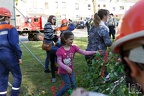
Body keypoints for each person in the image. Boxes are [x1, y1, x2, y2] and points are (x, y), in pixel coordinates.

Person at [71, 0, 144, 95]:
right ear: (104, 16)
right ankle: (101, 89)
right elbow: (108, 42)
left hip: (89, 53)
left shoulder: (94, 26)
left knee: (94, 75)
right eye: (108, 15)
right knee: (104, 75)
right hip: (98, 54)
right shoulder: (103, 28)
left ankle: (96, 89)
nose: (109, 17)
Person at [55, 31, 99, 96]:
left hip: (71, 70)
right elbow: (59, 62)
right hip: (63, 71)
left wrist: (95, 52)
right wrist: (66, 67)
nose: (72, 41)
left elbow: (84, 52)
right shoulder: (60, 50)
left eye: (73, 39)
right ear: (65, 39)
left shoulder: (74, 48)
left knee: (74, 84)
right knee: (67, 85)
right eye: (70, 39)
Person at [0, 7, 22, 96]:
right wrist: (19, 56)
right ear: (7, 17)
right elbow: (14, 43)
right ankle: (14, 94)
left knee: (2, 79)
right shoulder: (10, 28)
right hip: (9, 56)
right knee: (17, 77)